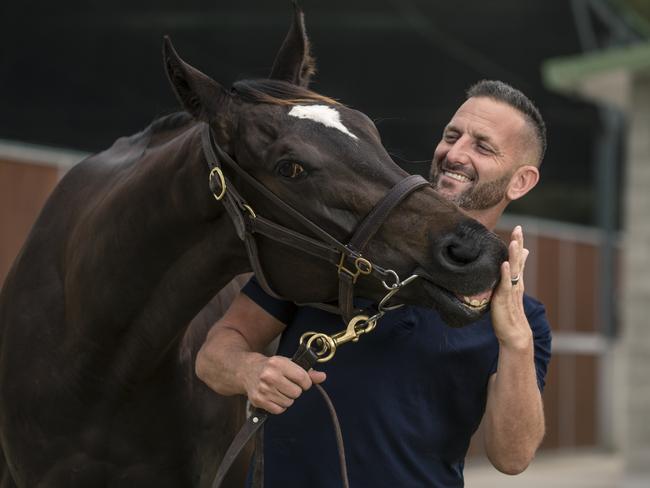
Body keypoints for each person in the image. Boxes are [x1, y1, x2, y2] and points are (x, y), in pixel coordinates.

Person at [196, 80, 552, 487]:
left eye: (482, 146)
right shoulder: (338, 246)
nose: (455, 154)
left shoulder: (526, 322)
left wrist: (516, 342)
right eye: (452, 136)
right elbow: (213, 355)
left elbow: (513, 457)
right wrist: (249, 370)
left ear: (521, 181)